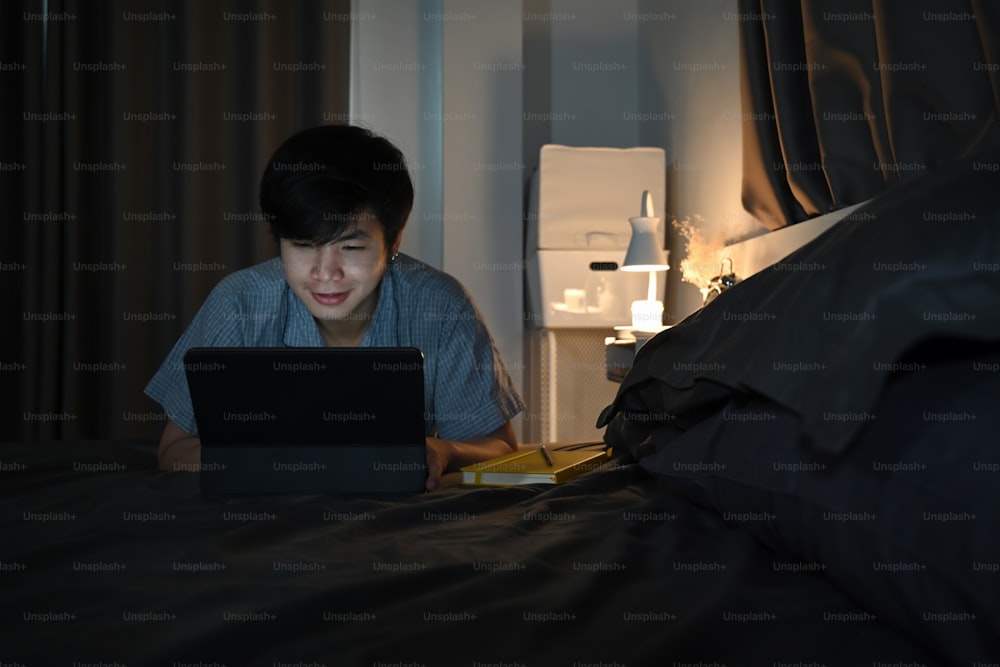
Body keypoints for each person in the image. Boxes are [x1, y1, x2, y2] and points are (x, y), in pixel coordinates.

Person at [145, 124, 524, 490]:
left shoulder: (440, 304)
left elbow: (501, 446)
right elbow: (174, 451)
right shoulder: (239, 303)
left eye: (352, 248)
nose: (325, 273)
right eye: (304, 245)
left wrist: (445, 450)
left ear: (393, 242)